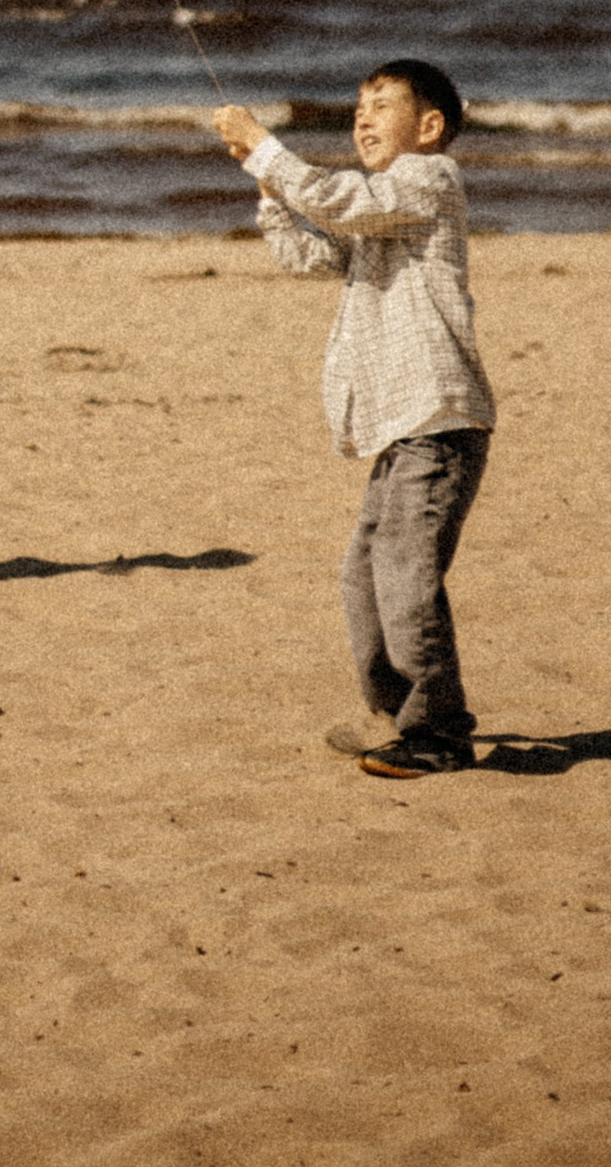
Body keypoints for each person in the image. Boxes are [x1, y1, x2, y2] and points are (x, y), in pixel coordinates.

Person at [212, 61, 495, 775]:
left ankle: (440, 732)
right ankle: (390, 712)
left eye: (382, 106)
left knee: (405, 577)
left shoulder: (428, 179)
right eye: (358, 108)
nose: (363, 119)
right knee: (363, 574)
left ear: (429, 127)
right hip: (402, 426)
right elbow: (311, 255)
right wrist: (270, 192)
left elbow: (339, 200)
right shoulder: (383, 209)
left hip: (439, 420)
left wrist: (267, 146)